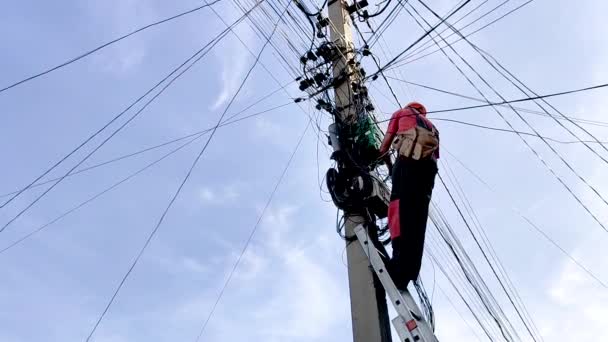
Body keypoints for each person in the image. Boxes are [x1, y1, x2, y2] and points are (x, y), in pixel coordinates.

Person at [378, 101, 439, 291]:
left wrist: (381, 156)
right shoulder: (432, 127)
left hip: (407, 162)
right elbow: (435, 155)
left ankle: (399, 268)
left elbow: (387, 142)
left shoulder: (401, 112)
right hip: (428, 172)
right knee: (418, 218)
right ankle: (412, 270)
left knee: (399, 210)